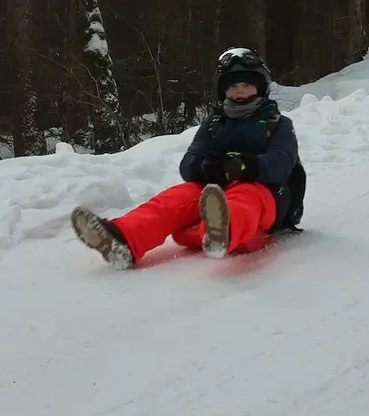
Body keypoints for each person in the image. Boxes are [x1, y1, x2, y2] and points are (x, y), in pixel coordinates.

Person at [70, 48, 304, 269]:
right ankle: (123, 240)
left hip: (266, 193)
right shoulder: (213, 125)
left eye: (246, 84)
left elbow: (282, 162)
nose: (240, 90)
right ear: (224, 91)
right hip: (217, 190)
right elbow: (189, 161)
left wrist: (247, 165)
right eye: (233, 86)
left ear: (260, 87)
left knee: (245, 196)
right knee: (175, 199)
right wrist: (204, 168)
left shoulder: (278, 124)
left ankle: (222, 230)